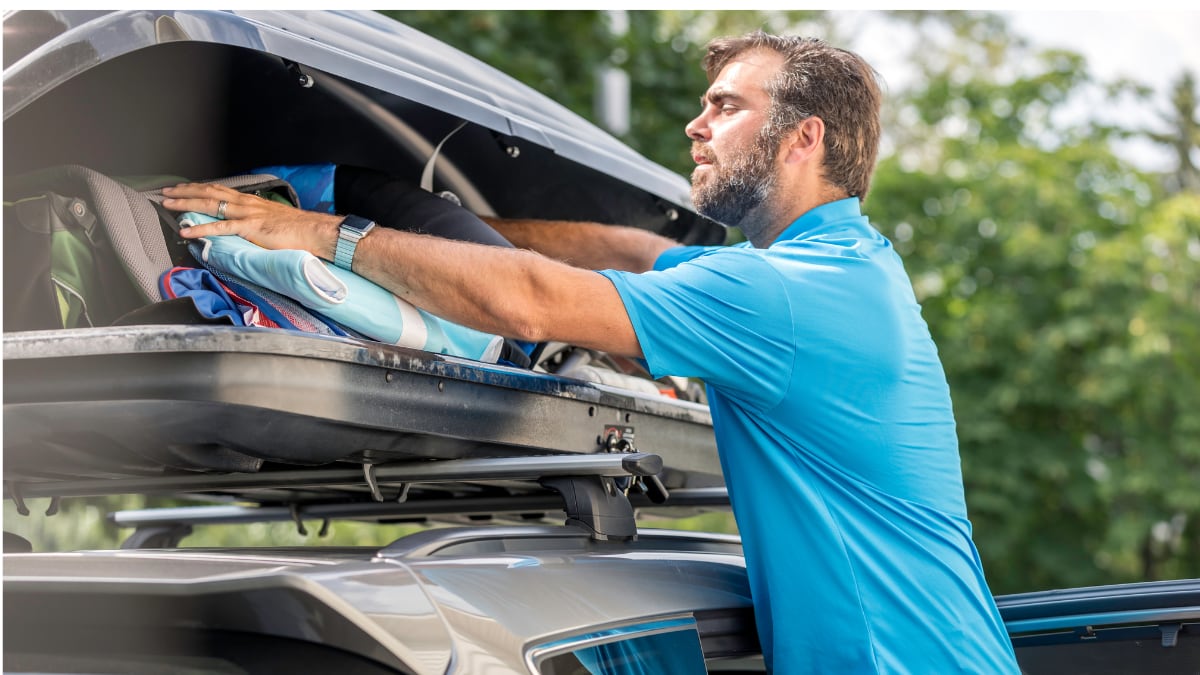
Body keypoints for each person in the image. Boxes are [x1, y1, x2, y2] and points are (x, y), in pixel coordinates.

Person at [164, 31, 1020, 674]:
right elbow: (627, 251)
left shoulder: (778, 295)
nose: (697, 123)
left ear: (805, 138)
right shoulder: (838, 268)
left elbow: (532, 301)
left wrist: (321, 231)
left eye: (727, 105)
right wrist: (431, 222)